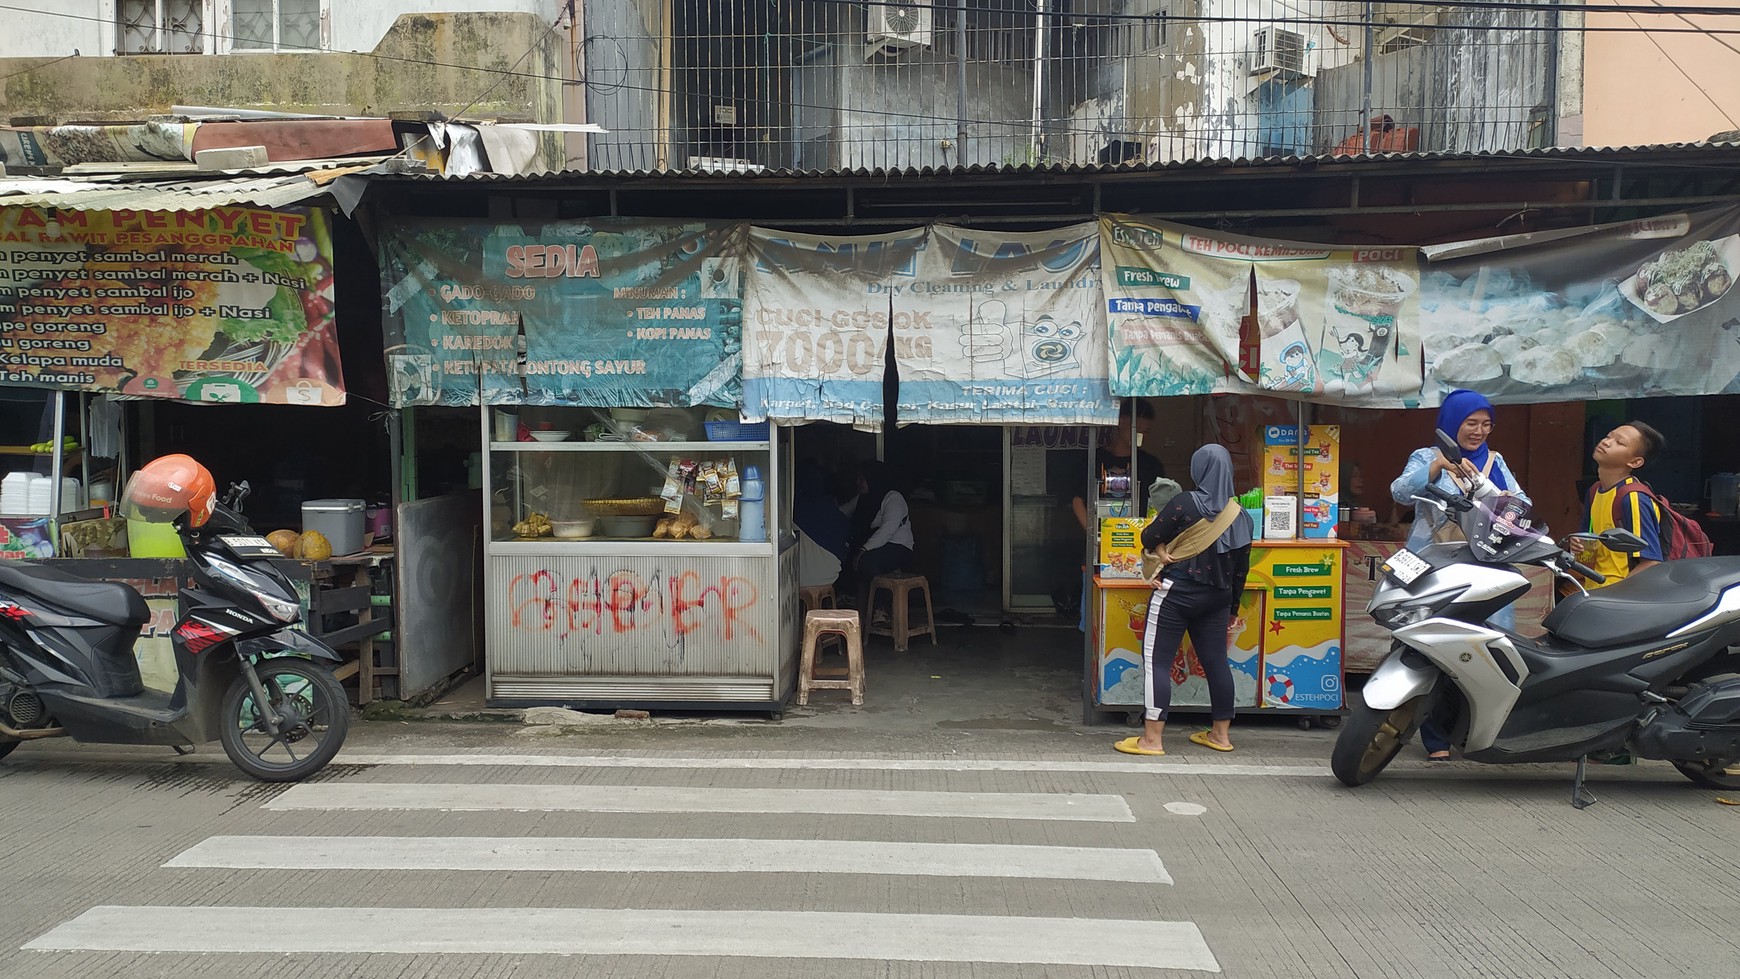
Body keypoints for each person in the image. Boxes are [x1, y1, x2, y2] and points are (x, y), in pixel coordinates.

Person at [1390, 388, 1529, 761]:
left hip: (1483, 566)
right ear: (1452, 423)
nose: (1479, 431)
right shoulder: (1425, 456)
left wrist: (1501, 504)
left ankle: (1473, 731)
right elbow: (1401, 493)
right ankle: (1432, 737)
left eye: (1486, 424)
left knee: (1484, 647)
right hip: (1432, 565)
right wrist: (1435, 469)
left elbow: (1521, 503)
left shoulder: (1495, 462)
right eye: (1471, 423)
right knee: (1431, 645)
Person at [1114, 444, 1252, 757]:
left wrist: (1161, 547)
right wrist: (1232, 608)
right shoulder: (1241, 515)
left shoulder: (1185, 503)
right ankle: (1219, 735)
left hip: (1176, 595)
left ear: (1198, 470)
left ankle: (1152, 739)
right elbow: (1241, 570)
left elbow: (1148, 537)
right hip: (1218, 599)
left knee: (1157, 662)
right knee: (1217, 663)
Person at [1069, 399, 1165, 629]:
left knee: (1131, 612)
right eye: (1137, 429)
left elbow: (1160, 507)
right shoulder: (1094, 459)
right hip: (1098, 550)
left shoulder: (1150, 464)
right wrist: (1095, 538)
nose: (1140, 435)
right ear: (1121, 422)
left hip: (1138, 550)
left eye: (1145, 432)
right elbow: (1076, 501)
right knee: (1094, 615)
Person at [1572, 421, 1666, 589]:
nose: (1606, 442)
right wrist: (1579, 547)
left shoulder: (1633, 497)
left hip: (1617, 597)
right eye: (1608, 436)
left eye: (1619, 442)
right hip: (1592, 592)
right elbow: (1588, 550)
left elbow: (1651, 562)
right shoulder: (1594, 491)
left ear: (1635, 462)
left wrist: (1616, 594)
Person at [848, 460, 913, 619]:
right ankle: (857, 609)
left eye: (861, 478)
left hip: (897, 547)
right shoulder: (865, 499)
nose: (858, 482)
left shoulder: (893, 498)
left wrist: (863, 550)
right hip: (877, 547)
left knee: (866, 563)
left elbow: (887, 531)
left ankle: (881, 608)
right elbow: (844, 512)